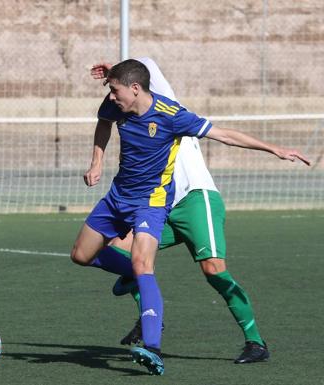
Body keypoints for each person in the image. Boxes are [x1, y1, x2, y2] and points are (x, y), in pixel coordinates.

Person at [70, 59, 309, 375]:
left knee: (211, 269)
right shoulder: (122, 103)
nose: (113, 95)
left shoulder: (172, 110)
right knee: (109, 254)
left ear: (141, 86)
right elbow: (125, 88)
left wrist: (274, 148)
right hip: (149, 202)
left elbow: (223, 133)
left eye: (118, 88)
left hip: (195, 200)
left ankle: (254, 342)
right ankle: (146, 299)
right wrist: (97, 159)